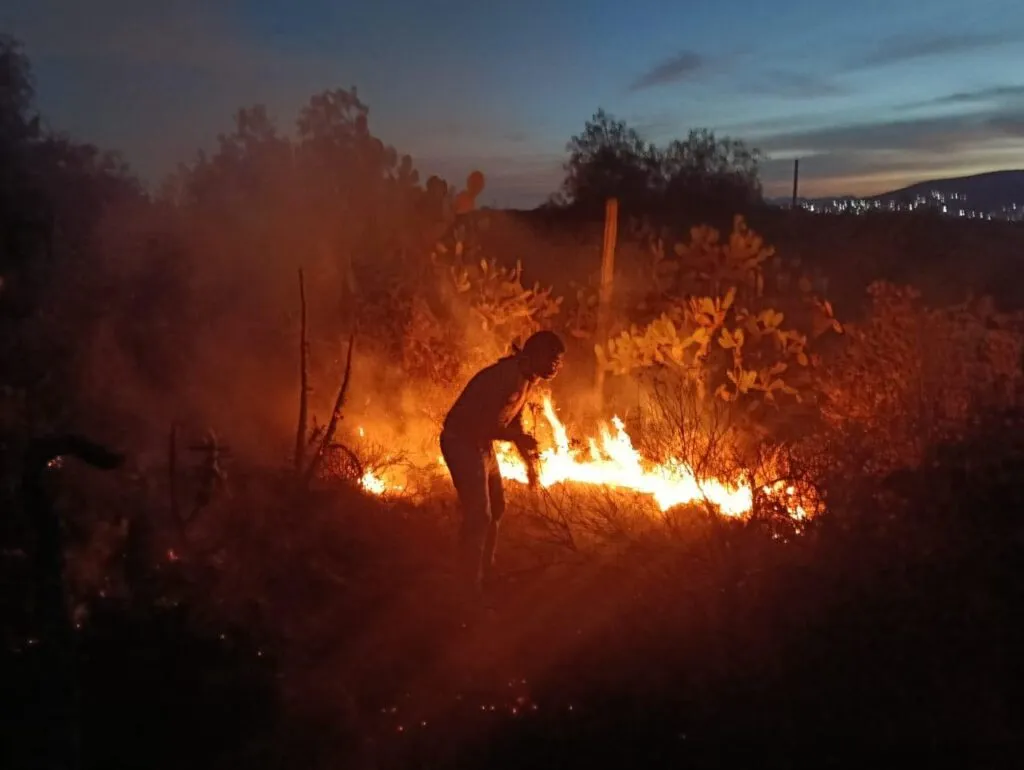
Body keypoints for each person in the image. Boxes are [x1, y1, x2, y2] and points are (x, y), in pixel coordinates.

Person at [440, 330, 566, 595]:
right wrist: (519, 439)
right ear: (537, 354)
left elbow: (513, 421)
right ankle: (468, 587)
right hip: (461, 442)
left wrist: (529, 465)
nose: (556, 365)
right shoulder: (507, 377)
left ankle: (485, 572)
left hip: (480, 443)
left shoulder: (526, 379)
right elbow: (488, 424)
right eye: (553, 359)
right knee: (480, 516)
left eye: (558, 360)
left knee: (496, 507)